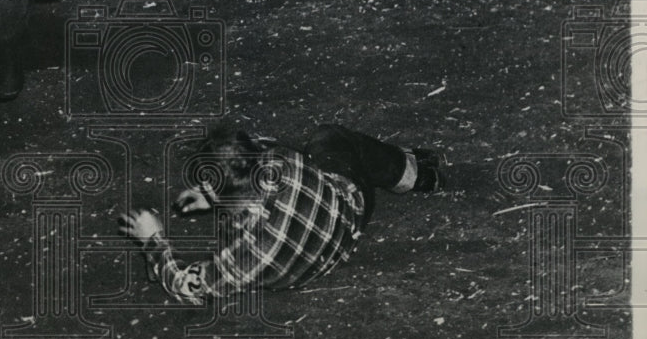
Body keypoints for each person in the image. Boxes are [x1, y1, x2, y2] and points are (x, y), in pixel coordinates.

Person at [117, 124, 445, 305]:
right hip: (348, 215)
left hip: (306, 267)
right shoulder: (283, 162)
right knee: (328, 138)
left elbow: (186, 285)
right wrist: (213, 193)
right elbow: (257, 150)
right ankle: (416, 174)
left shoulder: (244, 256)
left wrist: (152, 240)